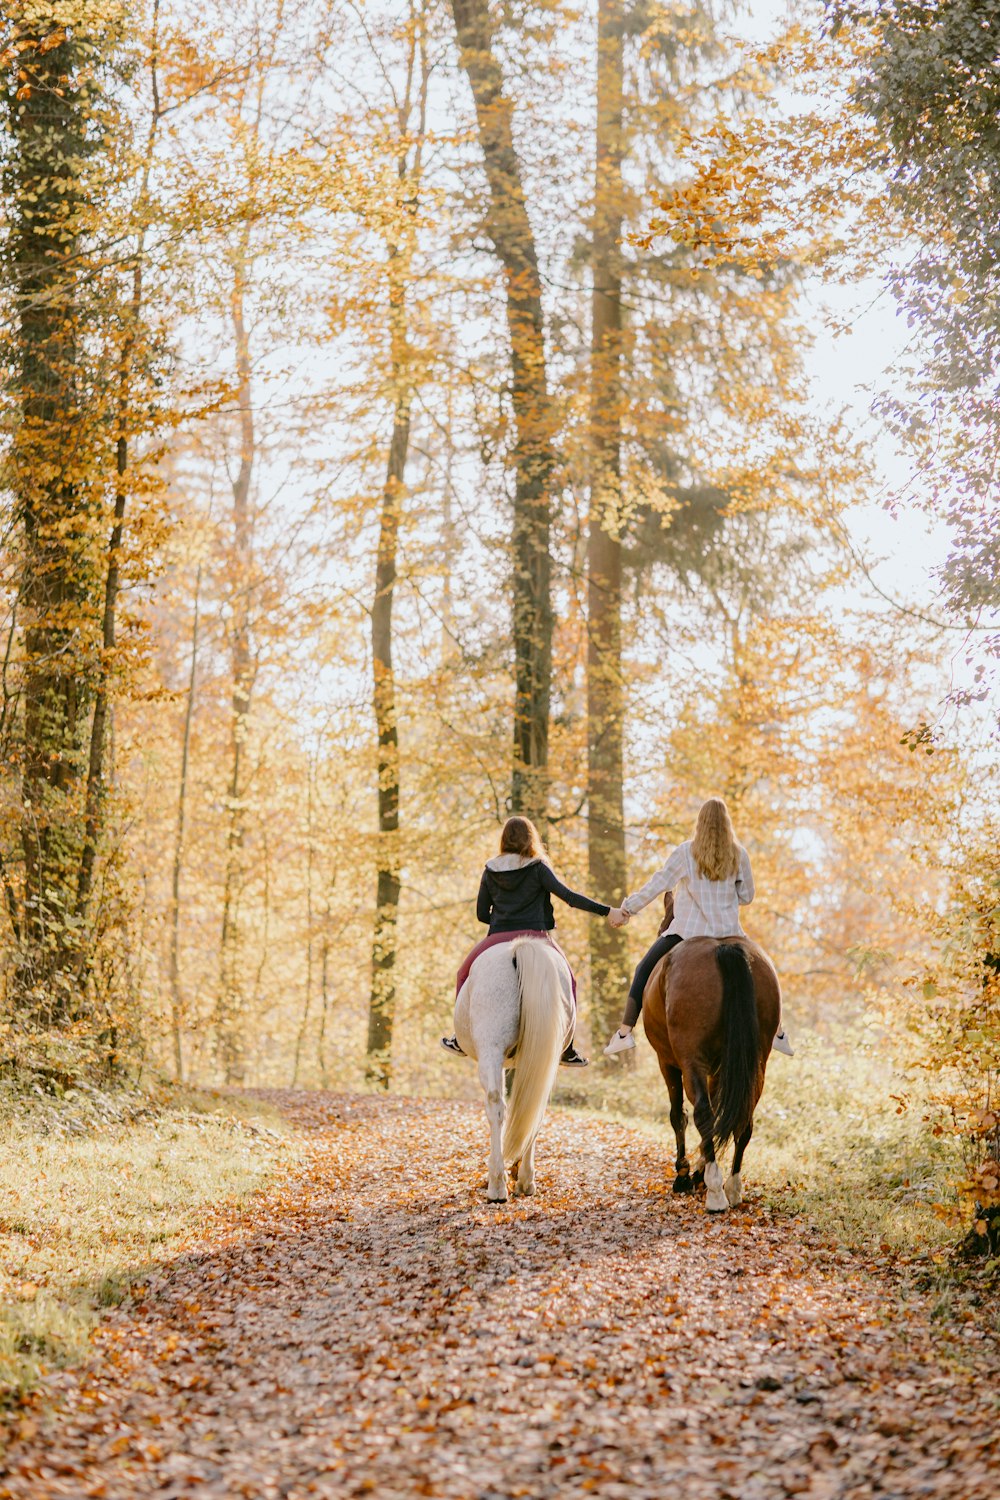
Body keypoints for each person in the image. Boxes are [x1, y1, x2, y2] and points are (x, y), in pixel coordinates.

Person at [602, 797, 794, 1057]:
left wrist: (627, 909)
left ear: (700, 822)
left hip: (687, 932)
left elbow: (659, 883)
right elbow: (748, 896)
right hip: (730, 933)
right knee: (766, 971)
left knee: (643, 969)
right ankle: (778, 1032)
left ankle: (624, 1033)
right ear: (726, 823)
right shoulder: (739, 854)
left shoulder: (686, 852)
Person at [442, 816, 612, 1067]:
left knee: (463, 974)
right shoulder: (538, 867)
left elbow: (480, 914)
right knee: (570, 981)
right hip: (537, 936)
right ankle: (568, 1047)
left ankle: (459, 1037)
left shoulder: (491, 869)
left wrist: (503, 919)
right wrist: (607, 911)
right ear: (531, 837)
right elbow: (569, 897)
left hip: (498, 935)